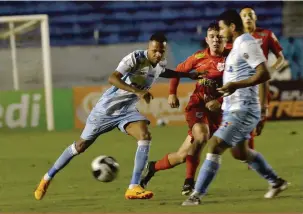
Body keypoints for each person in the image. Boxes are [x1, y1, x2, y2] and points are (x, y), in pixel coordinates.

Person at [34, 33, 204, 201]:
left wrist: (187, 75)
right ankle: (47, 178)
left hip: (126, 111)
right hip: (106, 110)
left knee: (145, 136)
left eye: (161, 51)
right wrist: (137, 91)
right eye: (154, 51)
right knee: (80, 146)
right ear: (148, 48)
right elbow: (112, 78)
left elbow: (163, 72)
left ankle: (133, 187)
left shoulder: (159, 63)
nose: (158, 54)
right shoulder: (135, 58)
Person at [182, 10, 288, 206]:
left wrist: (236, 87)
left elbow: (264, 74)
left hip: (243, 108)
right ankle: (277, 182)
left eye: (222, 28)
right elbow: (238, 76)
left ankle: (195, 196)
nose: (220, 33)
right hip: (234, 108)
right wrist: (225, 94)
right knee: (240, 153)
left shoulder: (246, 43)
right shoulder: (237, 46)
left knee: (214, 145)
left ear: (232, 27)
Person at [139, 23, 229, 196]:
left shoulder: (231, 58)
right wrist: (172, 93)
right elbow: (179, 70)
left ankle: (152, 167)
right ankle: (189, 182)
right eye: (212, 36)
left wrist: (220, 100)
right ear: (207, 40)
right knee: (202, 136)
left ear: (225, 39)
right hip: (197, 105)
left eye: (219, 36)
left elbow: (239, 86)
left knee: (182, 155)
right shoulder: (199, 56)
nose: (216, 40)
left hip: (217, 112)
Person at [239, 6, 285, 151]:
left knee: (257, 119)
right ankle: (250, 155)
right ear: (240, 19)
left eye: (250, 15)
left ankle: (261, 119)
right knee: (246, 119)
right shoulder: (237, 38)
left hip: (261, 83)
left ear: (255, 17)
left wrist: (270, 70)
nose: (247, 17)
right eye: (244, 15)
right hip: (244, 82)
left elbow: (280, 58)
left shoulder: (266, 34)